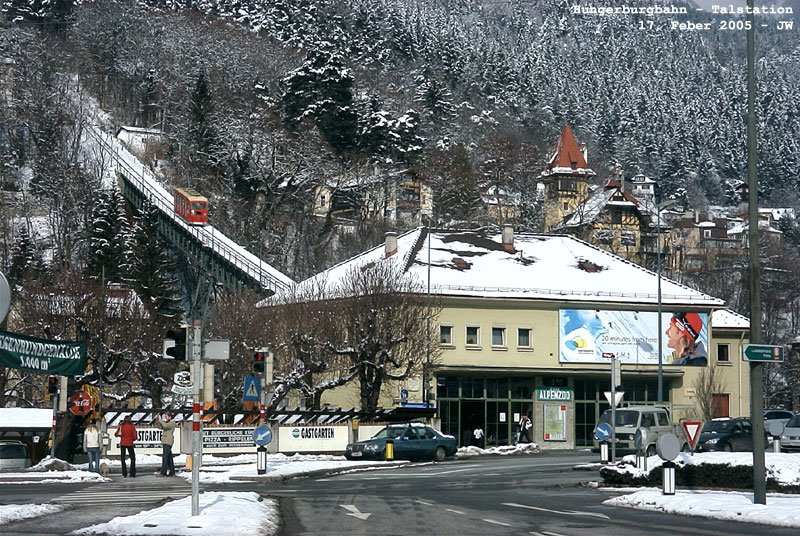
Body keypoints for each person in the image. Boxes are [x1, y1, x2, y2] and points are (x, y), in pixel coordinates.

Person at [155, 412, 177, 477]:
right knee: (169, 458)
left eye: (166, 416)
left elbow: (165, 426)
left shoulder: (172, 423)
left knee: (165, 457)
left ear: (170, 417)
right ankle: (172, 471)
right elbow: (161, 427)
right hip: (165, 441)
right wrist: (157, 421)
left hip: (168, 441)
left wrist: (160, 420)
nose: (166, 417)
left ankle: (163, 472)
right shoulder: (167, 422)